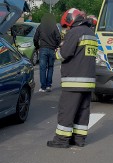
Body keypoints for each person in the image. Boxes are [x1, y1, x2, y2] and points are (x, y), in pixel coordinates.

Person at [47, 13, 97, 148]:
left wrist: (56, 52)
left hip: (74, 80)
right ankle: (79, 139)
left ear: (71, 21)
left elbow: (64, 54)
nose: (67, 28)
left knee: (67, 110)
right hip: (88, 80)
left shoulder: (75, 32)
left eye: (67, 26)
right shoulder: (91, 33)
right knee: (83, 110)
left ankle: (61, 140)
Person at [33, 13, 61, 92]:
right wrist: (56, 46)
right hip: (52, 49)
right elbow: (58, 37)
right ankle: (49, 85)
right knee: (50, 67)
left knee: (42, 68)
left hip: (43, 49)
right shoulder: (54, 26)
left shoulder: (40, 26)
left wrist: (37, 46)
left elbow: (35, 38)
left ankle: (43, 87)